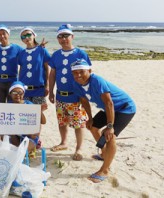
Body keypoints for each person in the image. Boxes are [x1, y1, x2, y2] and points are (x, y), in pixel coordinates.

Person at [71, 59, 136, 183]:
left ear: (89, 71)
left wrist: (110, 126)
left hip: (124, 108)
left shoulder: (97, 81)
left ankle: (105, 170)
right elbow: (84, 101)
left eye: (81, 72)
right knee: (92, 126)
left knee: (109, 135)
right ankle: (104, 152)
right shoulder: (76, 83)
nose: (78, 75)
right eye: (75, 72)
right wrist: (90, 118)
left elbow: (109, 103)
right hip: (107, 108)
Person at [48, 24, 91, 161]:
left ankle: (79, 148)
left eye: (66, 36)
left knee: (78, 124)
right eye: (60, 36)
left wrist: (86, 92)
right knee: (62, 122)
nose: (63, 39)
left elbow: (89, 73)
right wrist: (50, 91)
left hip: (76, 97)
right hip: (60, 96)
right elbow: (52, 74)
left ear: (72, 37)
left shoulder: (80, 54)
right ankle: (64, 142)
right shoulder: (55, 55)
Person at [18, 27, 51, 149]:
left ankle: (36, 139)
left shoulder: (42, 50)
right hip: (25, 90)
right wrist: (18, 85)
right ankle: (26, 139)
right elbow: (21, 69)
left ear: (34, 35)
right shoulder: (21, 53)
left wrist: (47, 85)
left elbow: (46, 67)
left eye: (28, 35)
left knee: (37, 115)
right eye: (23, 36)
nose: (26, 38)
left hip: (39, 88)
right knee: (25, 115)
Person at [8, 81, 47, 156]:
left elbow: (43, 121)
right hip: (15, 135)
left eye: (20, 93)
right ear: (10, 94)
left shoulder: (28, 104)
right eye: (14, 93)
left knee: (24, 151)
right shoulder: (8, 105)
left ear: (24, 93)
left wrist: (39, 111)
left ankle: (30, 148)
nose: (17, 95)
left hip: (29, 136)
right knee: (7, 137)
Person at [0, 24, 24, 103]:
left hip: (13, 82)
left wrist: (39, 47)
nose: (2, 36)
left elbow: (28, 52)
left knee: (13, 106)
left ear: (8, 34)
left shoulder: (16, 47)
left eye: (4, 33)